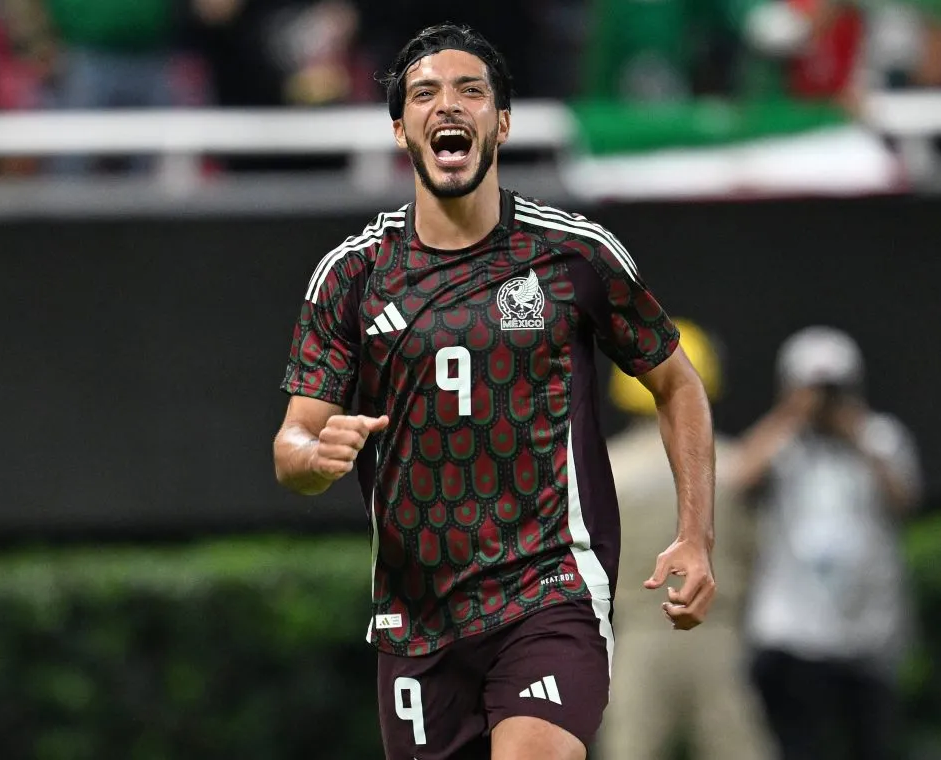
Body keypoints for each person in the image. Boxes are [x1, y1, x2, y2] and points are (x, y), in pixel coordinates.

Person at [273, 23, 717, 760]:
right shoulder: (352, 276)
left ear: (501, 122)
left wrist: (695, 535)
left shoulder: (572, 256)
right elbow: (292, 442)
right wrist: (314, 455)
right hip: (417, 617)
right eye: (425, 93)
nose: (448, 105)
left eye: (470, 91)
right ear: (400, 128)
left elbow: (676, 383)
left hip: (550, 589)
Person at [733, 326, 922, 760]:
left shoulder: (881, 437)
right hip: (794, 630)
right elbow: (740, 478)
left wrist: (855, 432)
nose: (824, 400)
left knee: (869, 744)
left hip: (867, 631)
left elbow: (905, 500)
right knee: (797, 745)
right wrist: (791, 416)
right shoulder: (782, 441)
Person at [598, 320, 772, 760]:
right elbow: (758, 553)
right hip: (718, 633)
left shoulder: (608, 468)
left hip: (637, 637)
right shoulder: (736, 468)